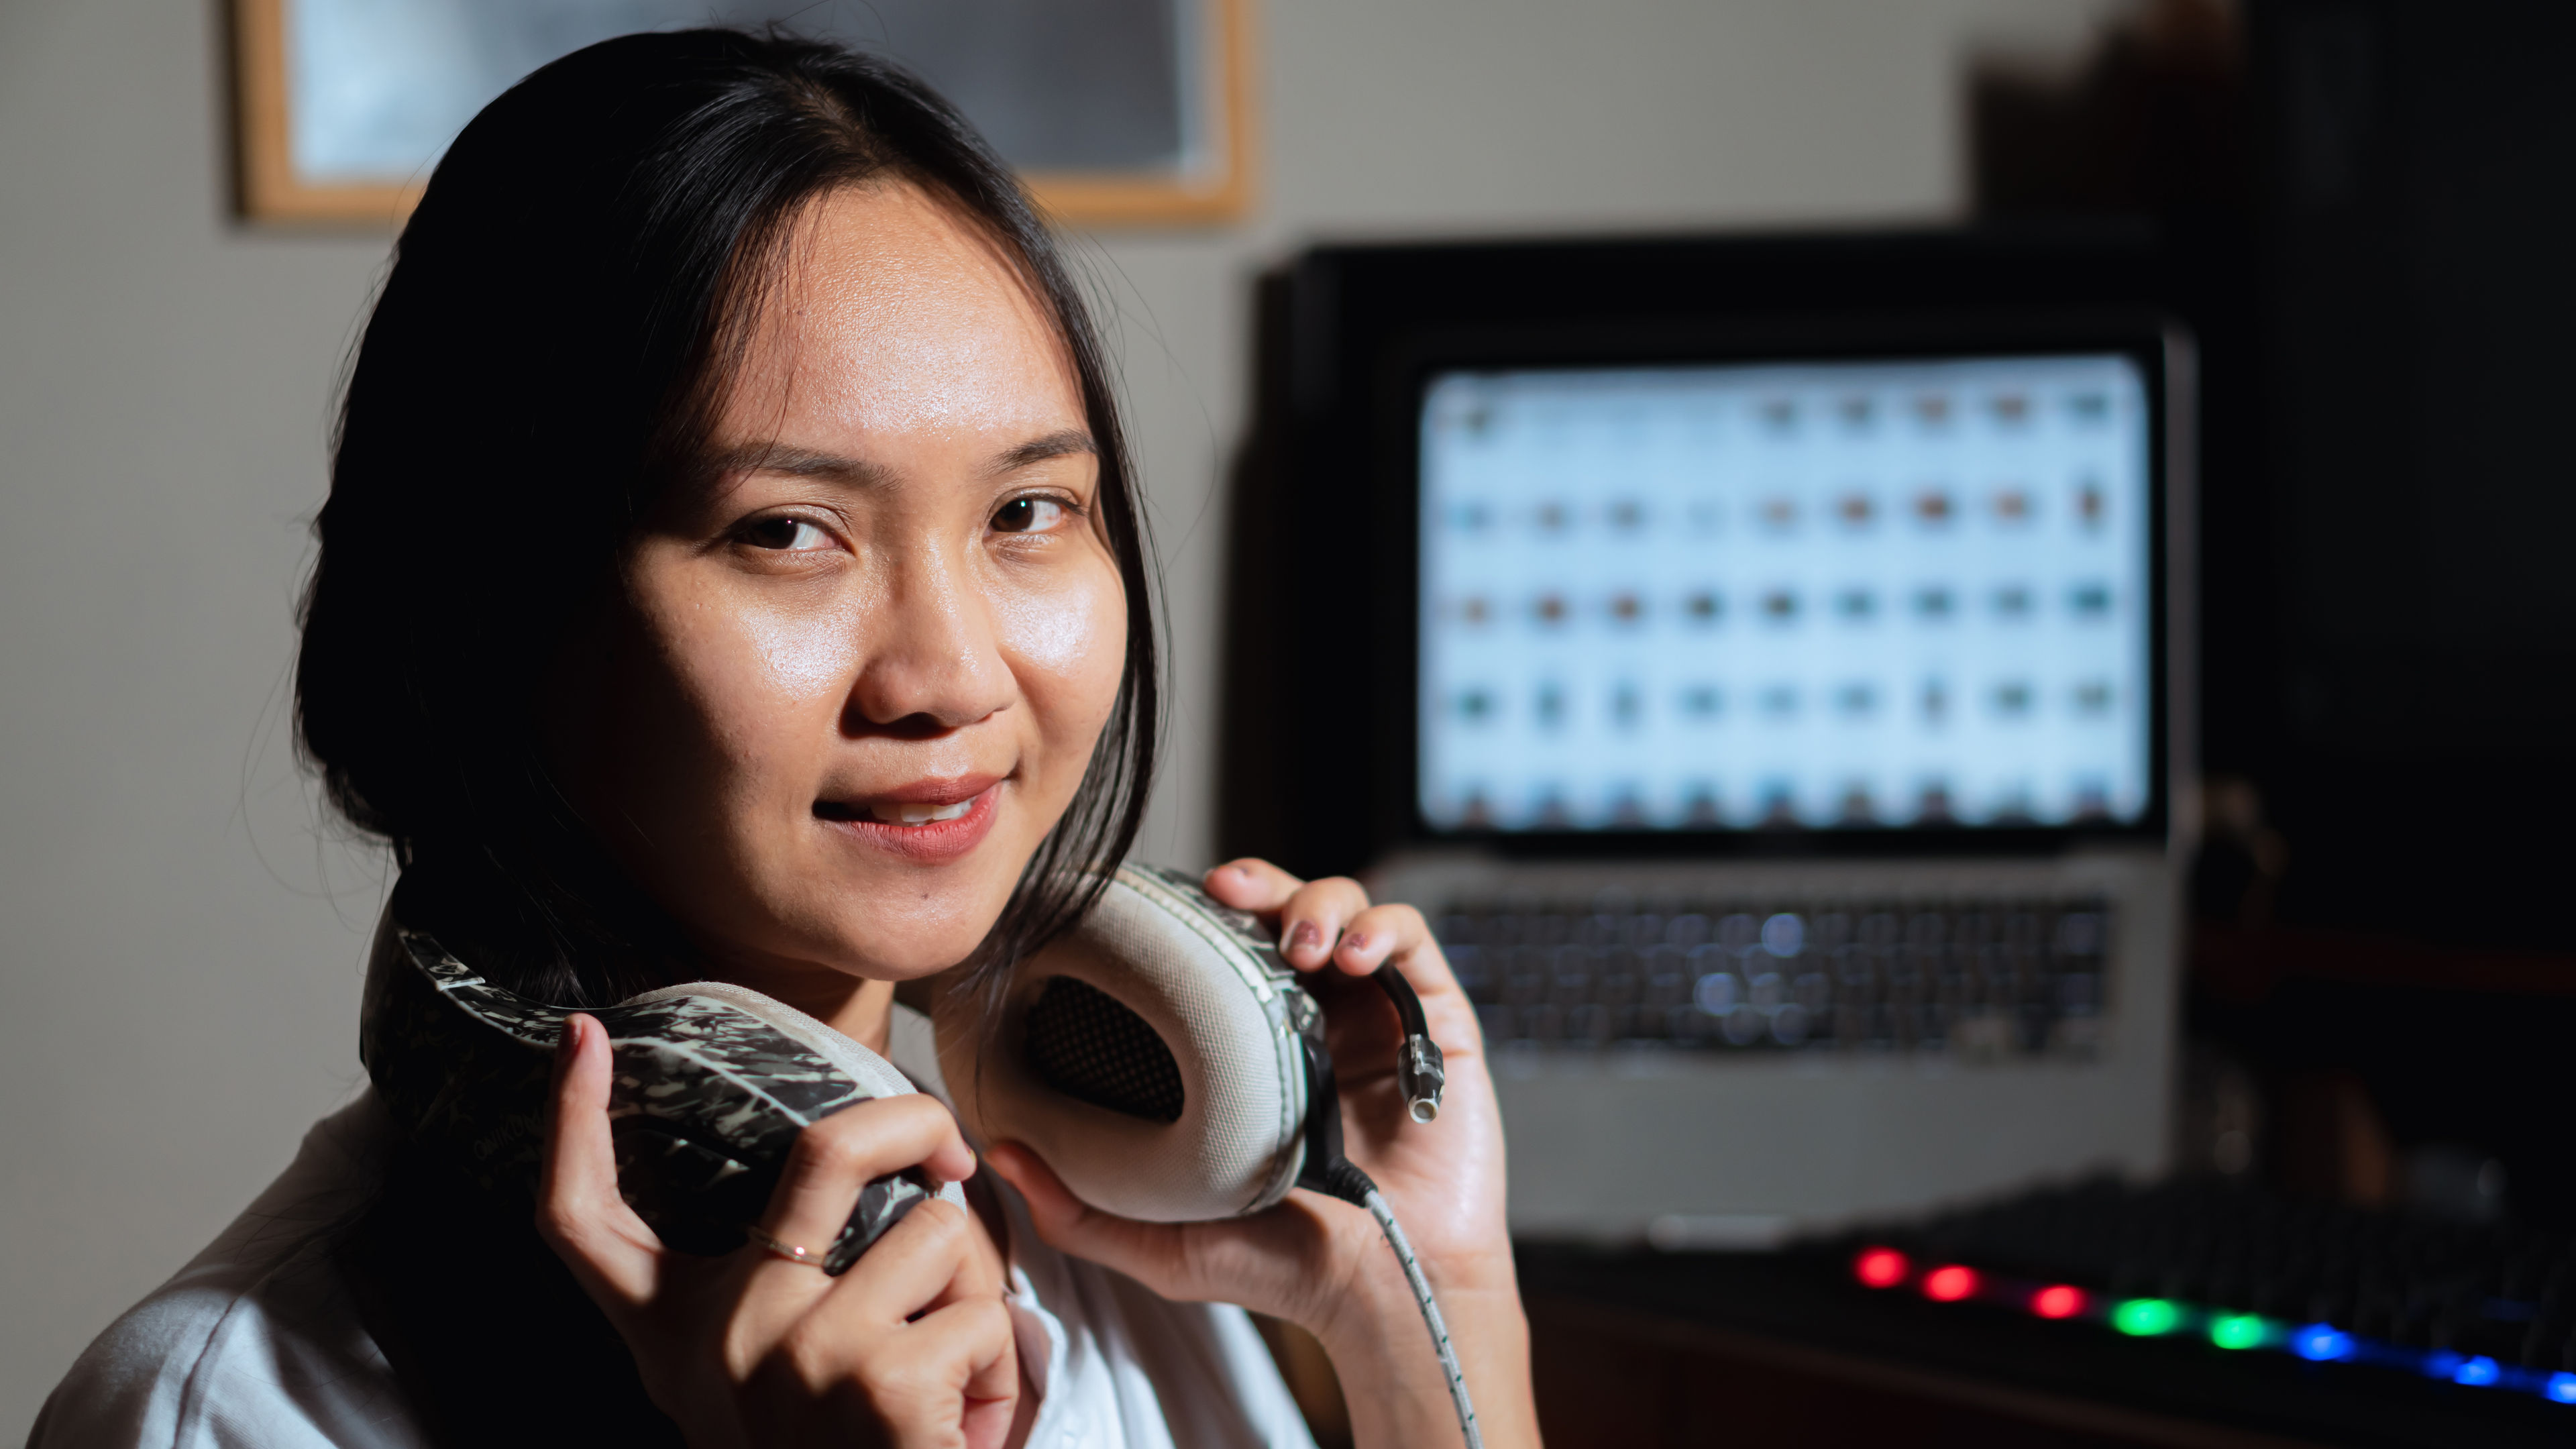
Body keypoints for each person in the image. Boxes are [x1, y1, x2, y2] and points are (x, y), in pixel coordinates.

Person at [32, 28, 1537, 1449]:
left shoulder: (1117, 1236)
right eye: (788, 532)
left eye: (1027, 512)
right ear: (491, 612)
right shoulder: (227, 1407)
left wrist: (1423, 1297)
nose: (949, 678)